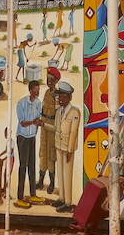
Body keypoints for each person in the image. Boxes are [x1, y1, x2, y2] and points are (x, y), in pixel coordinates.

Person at [13, 78, 45, 208]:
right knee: (23, 166)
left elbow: (38, 119)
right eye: (35, 91)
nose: (37, 93)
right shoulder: (21, 103)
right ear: (30, 90)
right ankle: (20, 197)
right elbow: (23, 123)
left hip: (32, 136)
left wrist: (38, 125)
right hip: (22, 137)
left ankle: (32, 194)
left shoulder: (38, 103)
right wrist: (34, 122)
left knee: (32, 166)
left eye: (38, 91)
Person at [52, 80, 81, 212]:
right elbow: (56, 128)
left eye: (63, 96)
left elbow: (73, 132)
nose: (60, 99)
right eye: (59, 96)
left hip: (67, 147)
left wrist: (70, 150)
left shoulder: (75, 113)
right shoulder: (59, 112)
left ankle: (68, 203)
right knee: (60, 173)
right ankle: (62, 198)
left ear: (69, 97)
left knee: (67, 174)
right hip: (59, 145)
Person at [37, 65, 61, 194]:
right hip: (43, 124)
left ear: (56, 81)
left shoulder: (56, 95)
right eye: (48, 78)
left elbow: (58, 113)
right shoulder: (46, 93)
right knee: (43, 152)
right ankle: (41, 180)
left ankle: (51, 183)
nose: (49, 81)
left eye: (52, 79)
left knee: (51, 155)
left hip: (51, 125)